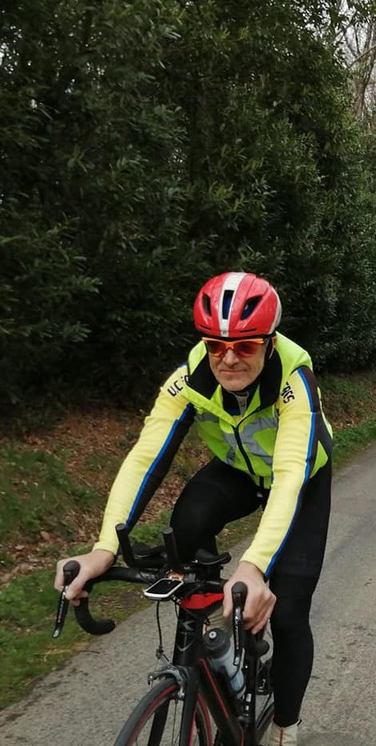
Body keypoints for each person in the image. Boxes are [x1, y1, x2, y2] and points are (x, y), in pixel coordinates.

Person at [54, 271, 333, 746]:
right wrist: (104, 549)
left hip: (300, 478)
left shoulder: (294, 377)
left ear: (269, 343)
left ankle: (285, 725)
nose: (229, 358)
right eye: (216, 345)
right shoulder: (189, 377)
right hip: (237, 471)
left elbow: (289, 476)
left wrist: (253, 568)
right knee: (186, 526)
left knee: (288, 613)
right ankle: (210, 644)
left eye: (245, 345)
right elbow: (146, 458)